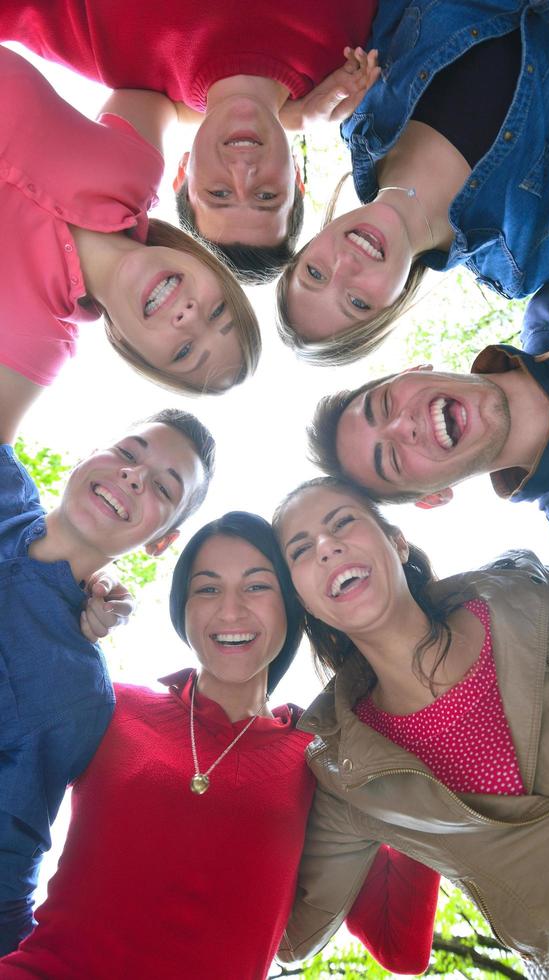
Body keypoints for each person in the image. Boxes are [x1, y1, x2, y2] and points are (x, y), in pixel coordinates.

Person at [0, 513, 440, 977]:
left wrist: (418, 735)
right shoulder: (109, 705)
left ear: (292, 605)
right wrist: (82, 584)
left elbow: (400, 945)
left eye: (256, 587)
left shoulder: (326, 759)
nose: (230, 611)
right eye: (207, 589)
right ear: (182, 609)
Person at [272, 477, 549, 979]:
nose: (326, 547)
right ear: (302, 599)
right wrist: (244, 758)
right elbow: (289, 938)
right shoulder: (347, 775)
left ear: (397, 540)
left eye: (343, 522)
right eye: (301, 550)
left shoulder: (537, 596)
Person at [306, 243, 549, 649]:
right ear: (435, 497)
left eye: (385, 405)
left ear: (414, 370)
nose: (405, 426)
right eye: (393, 458)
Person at [276, 0, 549, 365]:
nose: (345, 266)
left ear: (310, 242)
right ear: (391, 305)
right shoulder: (519, 258)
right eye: (357, 302)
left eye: (315, 272)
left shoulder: (357, 107)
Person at [0, 408, 215, 955]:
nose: (134, 477)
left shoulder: (74, 693)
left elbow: (9, 862)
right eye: (127, 453)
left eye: (163, 488)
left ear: (160, 541)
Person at [0, 1, 379, 283]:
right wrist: (291, 114)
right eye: (266, 196)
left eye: (219, 193)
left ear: (182, 173)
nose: (243, 171)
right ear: (296, 177)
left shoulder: (108, 53)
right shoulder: (351, 49)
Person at [0, 44, 260, 444]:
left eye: (184, 352)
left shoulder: (39, 347)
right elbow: (164, 99)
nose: (190, 317)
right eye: (218, 310)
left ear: (133, 350)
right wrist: (279, 113)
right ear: (211, 267)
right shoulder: (135, 168)